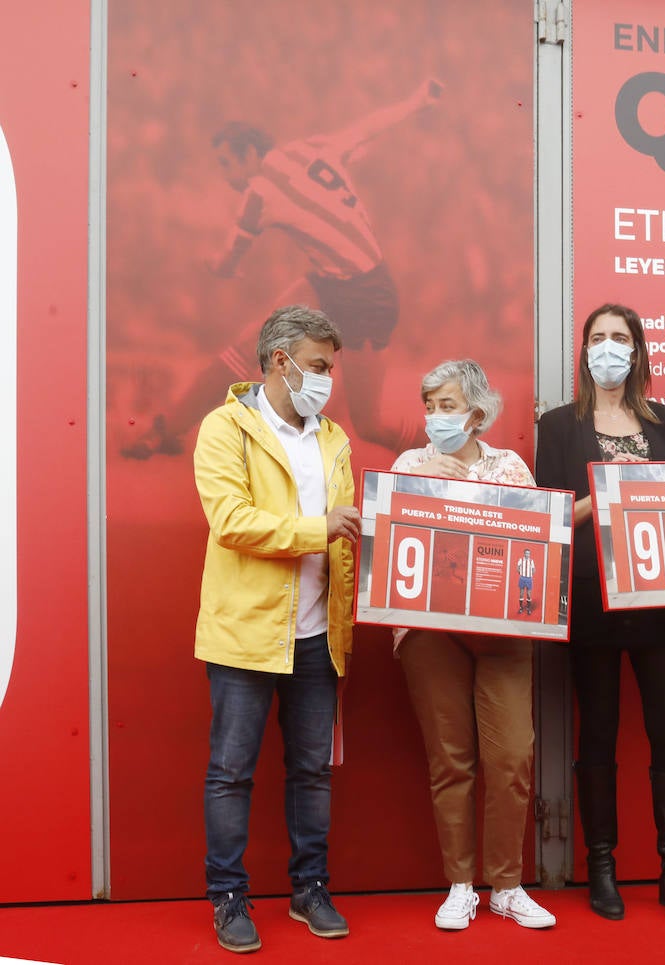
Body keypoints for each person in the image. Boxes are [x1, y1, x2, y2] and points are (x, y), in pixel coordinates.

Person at [123, 79, 442, 459]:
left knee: (370, 424)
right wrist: (416, 100)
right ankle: (166, 430)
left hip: (367, 298)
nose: (226, 175)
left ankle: (442, 456)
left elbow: (228, 259)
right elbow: (369, 127)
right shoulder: (314, 148)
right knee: (246, 346)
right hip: (330, 283)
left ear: (250, 154)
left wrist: (216, 266)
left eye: (227, 163)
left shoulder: (258, 191)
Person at [193, 305, 359, 953]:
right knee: (230, 771)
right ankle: (228, 894)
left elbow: (346, 536)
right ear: (278, 361)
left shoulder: (334, 438)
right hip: (245, 635)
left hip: (319, 636)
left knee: (312, 771)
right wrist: (323, 529)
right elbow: (231, 519)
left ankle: (309, 886)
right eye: (318, 365)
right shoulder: (224, 428)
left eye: (331, 366)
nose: (327, 378)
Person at [534, 303, 665, 927]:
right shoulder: (557, 427)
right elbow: (551, 517)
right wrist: (611, 490)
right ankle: (600, 866)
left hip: (657, 601)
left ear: (637, 351)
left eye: (620, 338)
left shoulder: (662, 422)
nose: (608, 348)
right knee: (598, 733)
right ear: (584, 352)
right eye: (598, 338)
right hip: (590, 600)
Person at [389, 359, 556, 933]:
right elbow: (392, 541)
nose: (437, 416)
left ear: (478, 413)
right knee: (451, 759)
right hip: (429, 631)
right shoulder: (410, 462)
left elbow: (533, 538)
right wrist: (429, 482)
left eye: (448, 405)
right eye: (430, 405)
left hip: (505, 631)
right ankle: (462, 884)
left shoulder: (510, 465)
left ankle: (507, 886)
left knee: (511, 757)